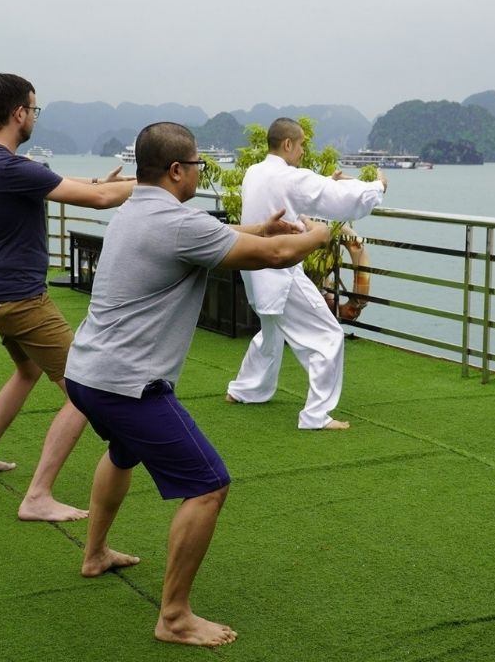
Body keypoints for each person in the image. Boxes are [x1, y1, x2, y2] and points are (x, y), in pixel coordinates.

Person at [64, 121, 330, 647]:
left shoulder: (136, 210)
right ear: (177, 170)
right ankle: (174, 616)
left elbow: (216, 240)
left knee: (122, 452)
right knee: (209, 485)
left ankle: (94, 554)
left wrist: (260, 229)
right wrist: (321, 231)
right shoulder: (176, 222)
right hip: (128, 384)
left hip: (86, 373)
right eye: (200, 166)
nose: (202, 174)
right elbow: (277, 258)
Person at [0, 73, 135, 522]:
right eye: (34, 110)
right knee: (83, 391)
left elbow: (61, 182)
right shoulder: (9, 166)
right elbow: (98, 202)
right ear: (19, 113)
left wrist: (100, 180)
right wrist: (152, 184)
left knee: (26, 372)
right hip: (21, 298)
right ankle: (38, 495)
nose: (35, 116)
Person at [225, 118, 387, 429]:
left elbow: (291, 196)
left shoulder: (255, 172)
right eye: (300, 146)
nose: (302, 152)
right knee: (328, 335)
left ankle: (244, 390)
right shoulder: (289, 177)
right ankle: (315, 416)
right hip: (280, 271)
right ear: (287, 144)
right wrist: (378, 186)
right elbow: (340, 200)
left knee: (271, 333)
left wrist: (327, 180)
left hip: (254, 268)